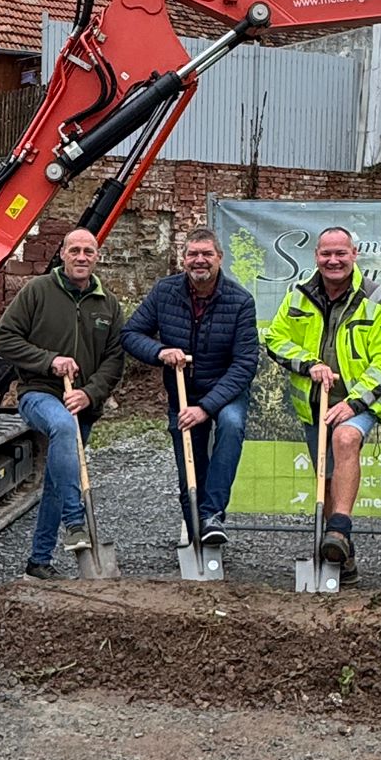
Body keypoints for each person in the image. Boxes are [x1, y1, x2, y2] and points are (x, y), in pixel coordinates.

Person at [263, 225, 381, 585]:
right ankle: (342, 553)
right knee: (325, 478)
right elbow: (275, 339)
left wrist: (355, 403)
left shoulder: (378, 298)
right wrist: (309, 364)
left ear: (354, 255)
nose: (333, 260)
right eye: (326, 253)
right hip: (315, 403)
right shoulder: (298, 295)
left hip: (360, 402)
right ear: (316, 257)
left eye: (341, 253)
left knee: (345, 439)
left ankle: (340, 527)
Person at [0, 227, 125, 580]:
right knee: (63, 427)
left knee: (58, 478)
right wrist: (50, 360)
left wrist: (89, 393)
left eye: (88, 251)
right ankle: (75, 520)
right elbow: (3, 339)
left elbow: (114, 360)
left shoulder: (108, 305)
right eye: (75, 250)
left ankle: (38, 562)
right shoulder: (38, 291)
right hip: (40, 393)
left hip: (83, 403)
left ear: (97, 257)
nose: (81, 257)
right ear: (63, 254)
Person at [122, 225, 259, 544]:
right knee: (190, 465)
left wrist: (206, 408)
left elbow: (245, 364)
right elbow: (130, 334)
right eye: (193, 254)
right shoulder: (165, 292)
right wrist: (160, 351)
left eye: (207, 254)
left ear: (219, 258)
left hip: (226, 390)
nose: (200, 260)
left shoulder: (240, 301)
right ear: (183, 259)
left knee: (231, 425)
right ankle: (198, 528)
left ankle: (212, 515)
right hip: (183, 391)